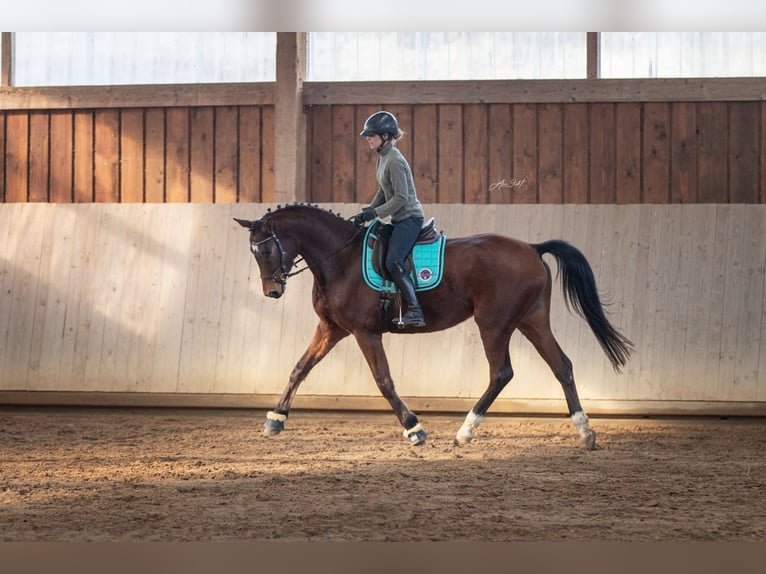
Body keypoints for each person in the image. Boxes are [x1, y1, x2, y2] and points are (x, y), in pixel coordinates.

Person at [352, 110, 426, 328]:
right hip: (398, 219)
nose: (368, 138)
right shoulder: (382, 158)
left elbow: (401, 198)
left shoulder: (394, 160)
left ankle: (415, 310)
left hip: (409, 219)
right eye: (368, 135)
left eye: (372, 135)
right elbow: (384, 191)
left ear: (385, 136)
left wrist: (375, 213)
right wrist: (367, 211)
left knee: (392, 261)